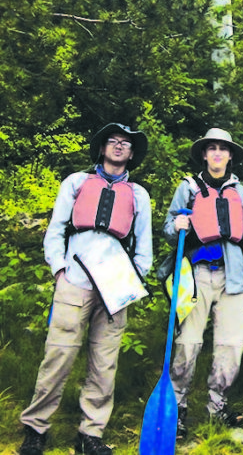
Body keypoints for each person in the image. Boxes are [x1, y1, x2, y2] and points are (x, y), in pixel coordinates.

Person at [19, 124, 153, 455]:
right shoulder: (77, 182)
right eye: (113, 141)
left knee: (104, 362)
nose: (119, 146)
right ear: (102, 147)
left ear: (132, 153)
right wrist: (59, 270)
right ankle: (36, 428)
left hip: (116, 285)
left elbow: (144, 249)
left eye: (126, 144)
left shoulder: (138, 194)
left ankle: (90, 433)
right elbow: (56, 229)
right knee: (59, 354)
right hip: (75, 277)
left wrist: (131, 282)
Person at [162, 128, 243, 439]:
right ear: (204, 154)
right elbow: (169, 229)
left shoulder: (241, 193)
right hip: (196, 276)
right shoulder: (188, 189)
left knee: (232, 343)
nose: (217, 154)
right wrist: (176, 225)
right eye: (211, 148)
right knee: (188, 343)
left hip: (234, 277)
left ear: (230, 156)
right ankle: (177, 409)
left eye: (222, 149)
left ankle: (217, 406)